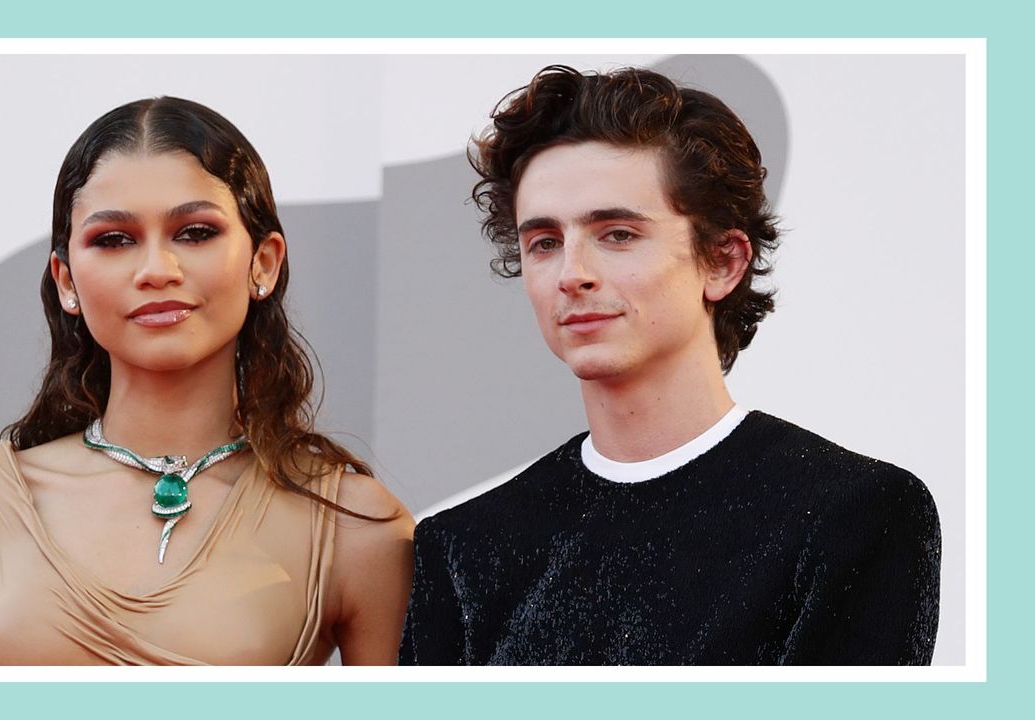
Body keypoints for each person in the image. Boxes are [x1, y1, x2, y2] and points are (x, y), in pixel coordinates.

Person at [399, 65, 941, 665]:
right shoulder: (462, 547)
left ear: (722, 262)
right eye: (544, 242)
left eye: (618, 234)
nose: (572, 273)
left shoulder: (854, 513)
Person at [0, 96, 413, 665]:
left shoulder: (358, 528)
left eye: (196, 232)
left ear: (264, 262)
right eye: (114, 240)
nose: (156, 270)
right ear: (66, 280)